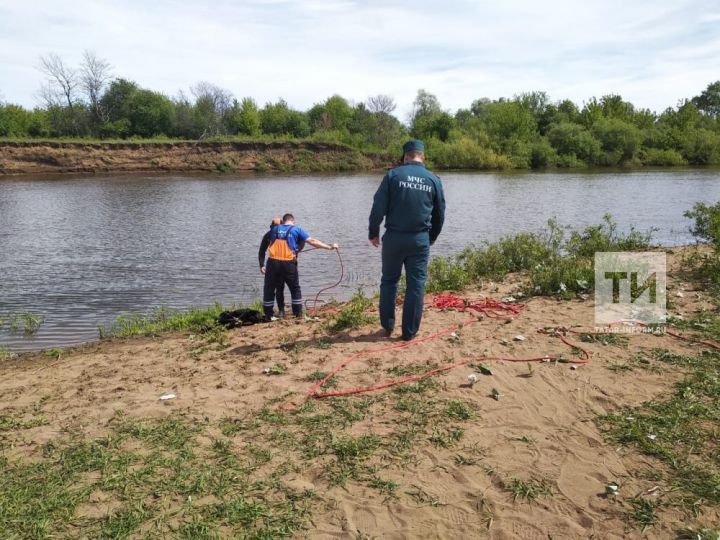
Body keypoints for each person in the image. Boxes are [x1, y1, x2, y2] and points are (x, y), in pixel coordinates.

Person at [368, 139, 446, 341]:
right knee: (416, 285)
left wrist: (373, 232)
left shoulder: (393, 175)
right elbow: (440, 214)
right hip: (419, 240)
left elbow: (378, 207)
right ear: (423, 156)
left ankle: (387, 325)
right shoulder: (433, 180)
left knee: (389, 281)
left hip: (394, 238)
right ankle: (409, 332)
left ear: (405, 156)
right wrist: (432, 237)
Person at [262, 213, 339, 320]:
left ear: (283, 221)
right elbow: (312, 241)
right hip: (288, 263)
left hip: (272, 263)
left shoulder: (273, 230)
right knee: (294, 288)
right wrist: (329, 247)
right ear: (293, 221)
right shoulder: (297, 229)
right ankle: (298, 314)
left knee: (269, 288)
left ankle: (268, 315)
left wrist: (261, 264)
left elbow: (264, 246)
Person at [259, 217, 285, 317]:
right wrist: (261, 265)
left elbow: (262, 251)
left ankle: (270, 312)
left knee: (271, 288)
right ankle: (279, 311)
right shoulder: (285, 234)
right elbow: (262, 251)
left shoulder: (268, 234)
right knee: (279, 288)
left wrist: (262, 265)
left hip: (274, 264)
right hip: (283, 264)